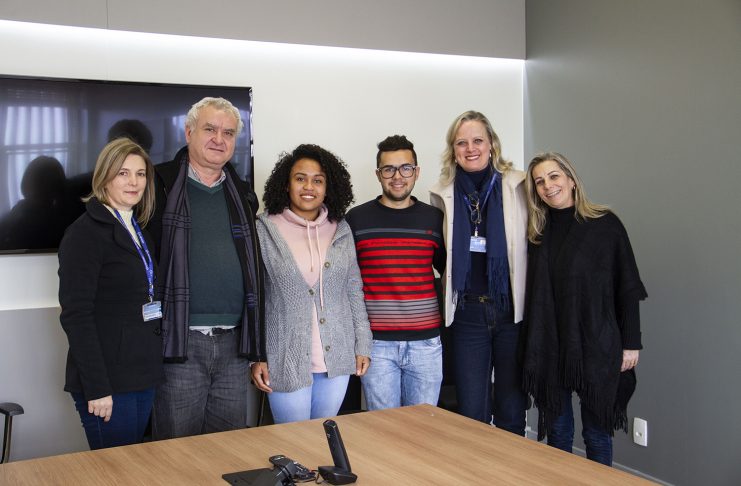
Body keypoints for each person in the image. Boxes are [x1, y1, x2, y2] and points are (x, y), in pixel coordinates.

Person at [148, 97, 266, 439]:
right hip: (178, 341)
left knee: (226, 448)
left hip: (235, 343)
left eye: (228, 133)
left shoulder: (242, 193)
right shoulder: (158, 184)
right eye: (210, 129)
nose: (219, 139)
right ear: (188, 132)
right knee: (176, 449)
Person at [522, 152, 647, 466]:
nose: (548, 186)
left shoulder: (605, 225)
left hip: (596, 341)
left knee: (597, 433)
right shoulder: (537, 233)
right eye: (539, 181)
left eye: (554, 176)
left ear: (571, 180)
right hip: (551, 344)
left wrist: (631, 343)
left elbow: (627, 287)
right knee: (558, 432)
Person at [252, 144, 372, 424]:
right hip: (284, 358)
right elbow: (254, 299)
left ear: (328, 187)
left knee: (323, 437)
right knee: (293, 441)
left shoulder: (341, 229)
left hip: (337, 357)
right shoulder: (263, 229)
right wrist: (255, 356)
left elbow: (353, 290)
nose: (309, 187)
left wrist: (363, 344)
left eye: (318, 180)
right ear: (286, 184)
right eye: (300, 178)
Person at [58, 138, 163, 449]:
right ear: (104, 177)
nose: (134, 182)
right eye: (123, 173)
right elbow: (76, 316)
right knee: (114, 470)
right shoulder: (84, 234)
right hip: (108, 384)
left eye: (140, 174)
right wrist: (97, 388)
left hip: (141, 375)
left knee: (134, 467)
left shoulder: (139, 230)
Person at [429, 110, 528, 434]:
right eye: (462, 143)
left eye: (477, 140)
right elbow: (441, 254)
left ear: (491, 144)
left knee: (512, 410)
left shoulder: (519, 185)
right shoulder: (441, 193)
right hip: (467, 313)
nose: (470, 149)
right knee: (471, 414)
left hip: (510, 311)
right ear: (453, 149)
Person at [345, 135, 445, 410]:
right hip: (376, 345)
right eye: (389, 169)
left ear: (416, 172)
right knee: (382, 428)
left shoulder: (435, 218)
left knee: (424, 427)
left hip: (426, 344)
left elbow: (447, 273)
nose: (397, 176)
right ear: (378, 174)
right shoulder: (356, 219)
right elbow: (348, 282)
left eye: (405, 168)